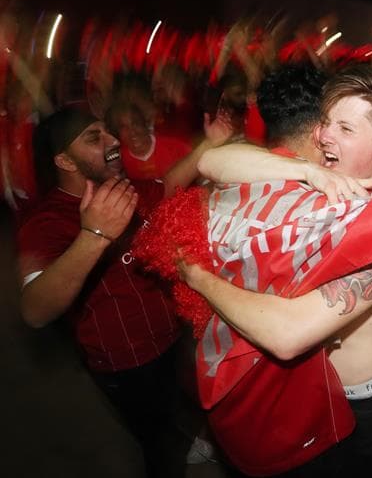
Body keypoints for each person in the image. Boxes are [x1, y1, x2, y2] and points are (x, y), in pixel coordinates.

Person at [173, 66, 372, 477]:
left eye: (345, 128)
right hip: (300, 394)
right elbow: (211, 160)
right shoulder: (318, 183)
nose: (325, 136)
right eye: (326, 123)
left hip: (362, 402)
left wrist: (198, 277)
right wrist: (307, 170)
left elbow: (288, 335)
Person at [16, 104, 232, 477]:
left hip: (172, 336)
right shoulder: (46, 222)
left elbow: (166, 185)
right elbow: (35, 310)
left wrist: (207, 146)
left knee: (189, 404)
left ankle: (194, 439)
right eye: (94, 137)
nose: (113, 141)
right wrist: (93, 236)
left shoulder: (122, 186)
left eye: (107, 130)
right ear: (65, 161)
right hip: (126, 365)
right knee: (159, 448)